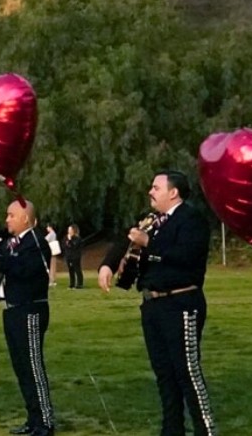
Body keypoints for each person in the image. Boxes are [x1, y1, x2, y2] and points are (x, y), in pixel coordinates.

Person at [97, 171, 216, 436]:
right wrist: (107, 264)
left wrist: (149, 242)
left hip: (181, 302)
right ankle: (172, 430)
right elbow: (127, 238)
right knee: (164, 374)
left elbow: (185, 255)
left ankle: (206, 431)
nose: (150, 192)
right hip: (153, 305)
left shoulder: (191, 219)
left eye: (156, 187)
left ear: (173, 192)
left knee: (188, 373)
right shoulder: (152, 220)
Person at [0, 199, 54, 436]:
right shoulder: (9, 244)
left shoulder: (36, 243)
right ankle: (32, 418)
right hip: (12, 309)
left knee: (33, 366)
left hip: (30, 308)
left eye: (11, 215)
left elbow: (23, 270)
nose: (7, 220)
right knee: (21, 367)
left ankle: (45, 421)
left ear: (25, 218)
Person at [64, 225, 84, 289]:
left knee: (77, 270)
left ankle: (79, 284)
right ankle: (72, 284)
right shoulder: (66, 237)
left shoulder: (77, 238)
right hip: (68, 256)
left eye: (70, 229)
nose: (68, 231)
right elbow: (64, 245)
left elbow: (74, 246)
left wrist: (70, 241)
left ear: (73, 230)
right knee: (71, 270)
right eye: (68, 229)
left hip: (75, 257)